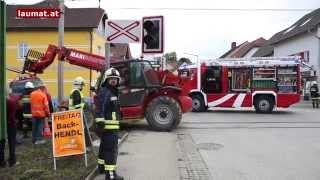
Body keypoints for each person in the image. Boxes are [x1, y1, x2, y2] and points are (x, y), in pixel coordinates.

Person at [95, 68, 123, 180]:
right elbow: (100, 108)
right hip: (108, 128)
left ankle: (101, 167)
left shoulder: (112, 92)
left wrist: (120, 113)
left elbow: (111, 108)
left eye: (115, 79)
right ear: (106, 80)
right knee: (111, 151)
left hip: (110, 128)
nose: (113, 81)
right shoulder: (106, 91)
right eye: (111, 79)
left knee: (104, 148)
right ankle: (111, 175)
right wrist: (100, 123)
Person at [0, 86, 21, 167]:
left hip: (2, 124)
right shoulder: (12, 101)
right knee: (11, 142)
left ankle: (1, 162)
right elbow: (18, 109)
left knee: (1, 142)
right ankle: (12, 160)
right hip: (11, 124)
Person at [69, 76, 92, 148]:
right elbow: (77, 105)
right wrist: (85, 105)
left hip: (75, 114)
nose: (82, 87)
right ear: (79, 84)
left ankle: (78, 145)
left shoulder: (75, 91)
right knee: (84, 129)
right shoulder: (76, 92)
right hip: (77, 114)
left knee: (79, 130)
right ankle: (86, 146)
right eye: (82, 85)